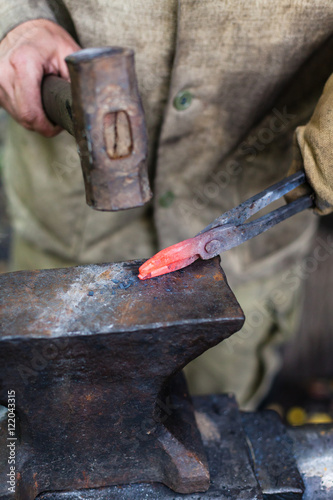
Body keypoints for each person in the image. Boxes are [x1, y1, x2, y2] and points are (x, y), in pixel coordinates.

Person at [0, 1, 332, 410]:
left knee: (218, 422)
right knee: (43, 406)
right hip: (63, 229)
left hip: (254, 242)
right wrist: (13, 23)